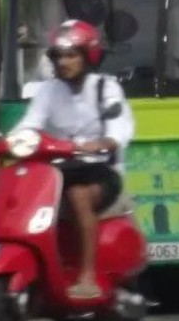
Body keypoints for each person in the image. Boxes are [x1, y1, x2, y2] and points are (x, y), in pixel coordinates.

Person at [11, 20, 135, 301]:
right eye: (59, 56)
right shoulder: (48, 91)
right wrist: (10, 141)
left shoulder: (106, 88)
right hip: (58, 171)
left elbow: (119, 127)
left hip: (101, 171)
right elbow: (29, 123)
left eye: (71, 55)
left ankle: (87, 276)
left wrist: (103, 142)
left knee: (77, 195)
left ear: (87, 56)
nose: (64, 62)